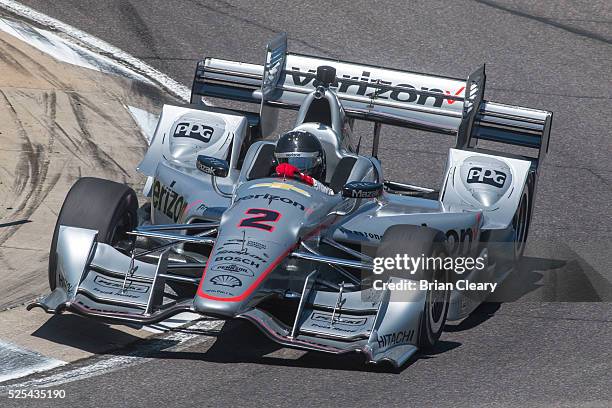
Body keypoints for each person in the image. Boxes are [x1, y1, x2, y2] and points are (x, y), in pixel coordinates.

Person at [273, 130, 335, 195]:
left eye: (301, 163)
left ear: (318, 162)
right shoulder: (269, 181)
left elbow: (330, 194)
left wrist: (306, 179)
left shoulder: (326, 192)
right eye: (288, 162)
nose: (292, 168)